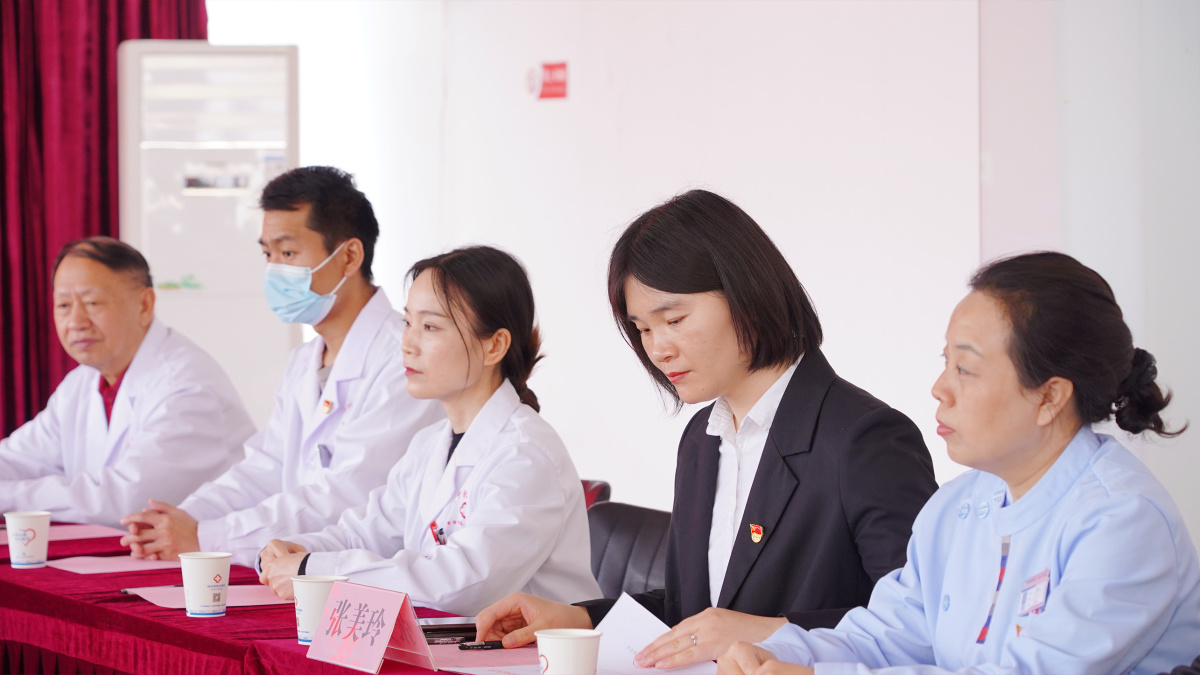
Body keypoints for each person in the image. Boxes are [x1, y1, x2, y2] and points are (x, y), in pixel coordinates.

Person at [475, 190, 938, 668]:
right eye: (643, 329)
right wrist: (577, 617)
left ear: (747, 295)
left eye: (674, 320)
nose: (658, 349)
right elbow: (696, 614)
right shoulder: (703, 438)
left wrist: (768, 632)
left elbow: (924, 626)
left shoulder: (865, 439)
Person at [718, 252, 1200, 675]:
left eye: (965, 369)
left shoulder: (1123, 521)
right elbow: (882, 637)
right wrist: (777, 652)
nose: (939, 389)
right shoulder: (954, 508)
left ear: (1050, 397)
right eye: (945, 361)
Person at [120, 166, 441, 567]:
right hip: (296, 571)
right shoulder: (305, 361)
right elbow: (265, 467)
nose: (274, 270)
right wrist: (182, 519)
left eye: (288, 253)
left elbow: (346, 494)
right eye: (267, 254)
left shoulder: (402, 358)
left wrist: (207, 536)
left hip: (369, 573)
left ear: (349, 257)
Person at [256, 246, 602, 615]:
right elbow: (370, 530)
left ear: (494, 346)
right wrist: (301, 549)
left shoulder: (527, 454)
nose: (407, 343)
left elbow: (462, 583)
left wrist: (315, 569)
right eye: (408, 322)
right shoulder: (431, 443)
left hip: (532, 649)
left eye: (430, 327)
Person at [0, 237, 253, 526]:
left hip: (213, 552)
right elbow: (17, 459)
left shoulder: (187, 385)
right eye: (64, 305)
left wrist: (8, 496)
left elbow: (125, 501)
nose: (76, 322)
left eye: (92, 303)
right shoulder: (81, 383)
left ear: (144, 305)